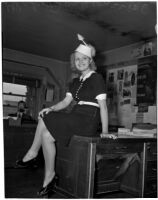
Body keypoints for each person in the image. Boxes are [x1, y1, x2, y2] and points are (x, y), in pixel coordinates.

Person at [15, 35, 117, 197]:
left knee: (45, 119)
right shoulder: (75, 82)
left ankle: (33, 153)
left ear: (90, 60)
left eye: (84, 59)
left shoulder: (97, 78)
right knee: (47, 133)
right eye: (77, 59)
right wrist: (51, 108)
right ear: (73, 62)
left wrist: (104, 131)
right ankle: (49, 177)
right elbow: (65, 101)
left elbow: (103, 107)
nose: (80, 62)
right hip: (75, 115)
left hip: (88, 118)